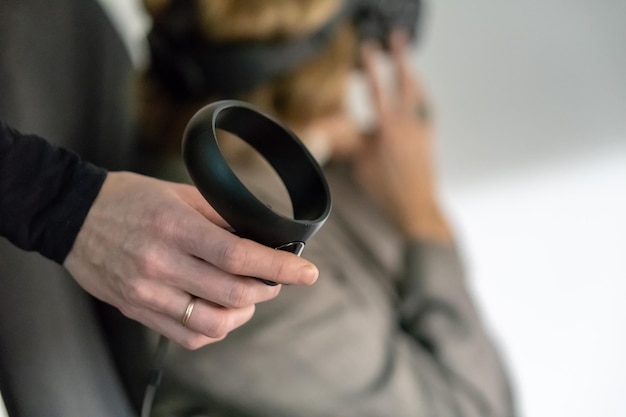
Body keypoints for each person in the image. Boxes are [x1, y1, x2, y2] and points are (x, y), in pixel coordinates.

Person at [124, 0, 517, 416]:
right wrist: (423, 215)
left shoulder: (320, 175)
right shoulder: (236, 253)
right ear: (331, 65)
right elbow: (478, 408)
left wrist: (326, 138)